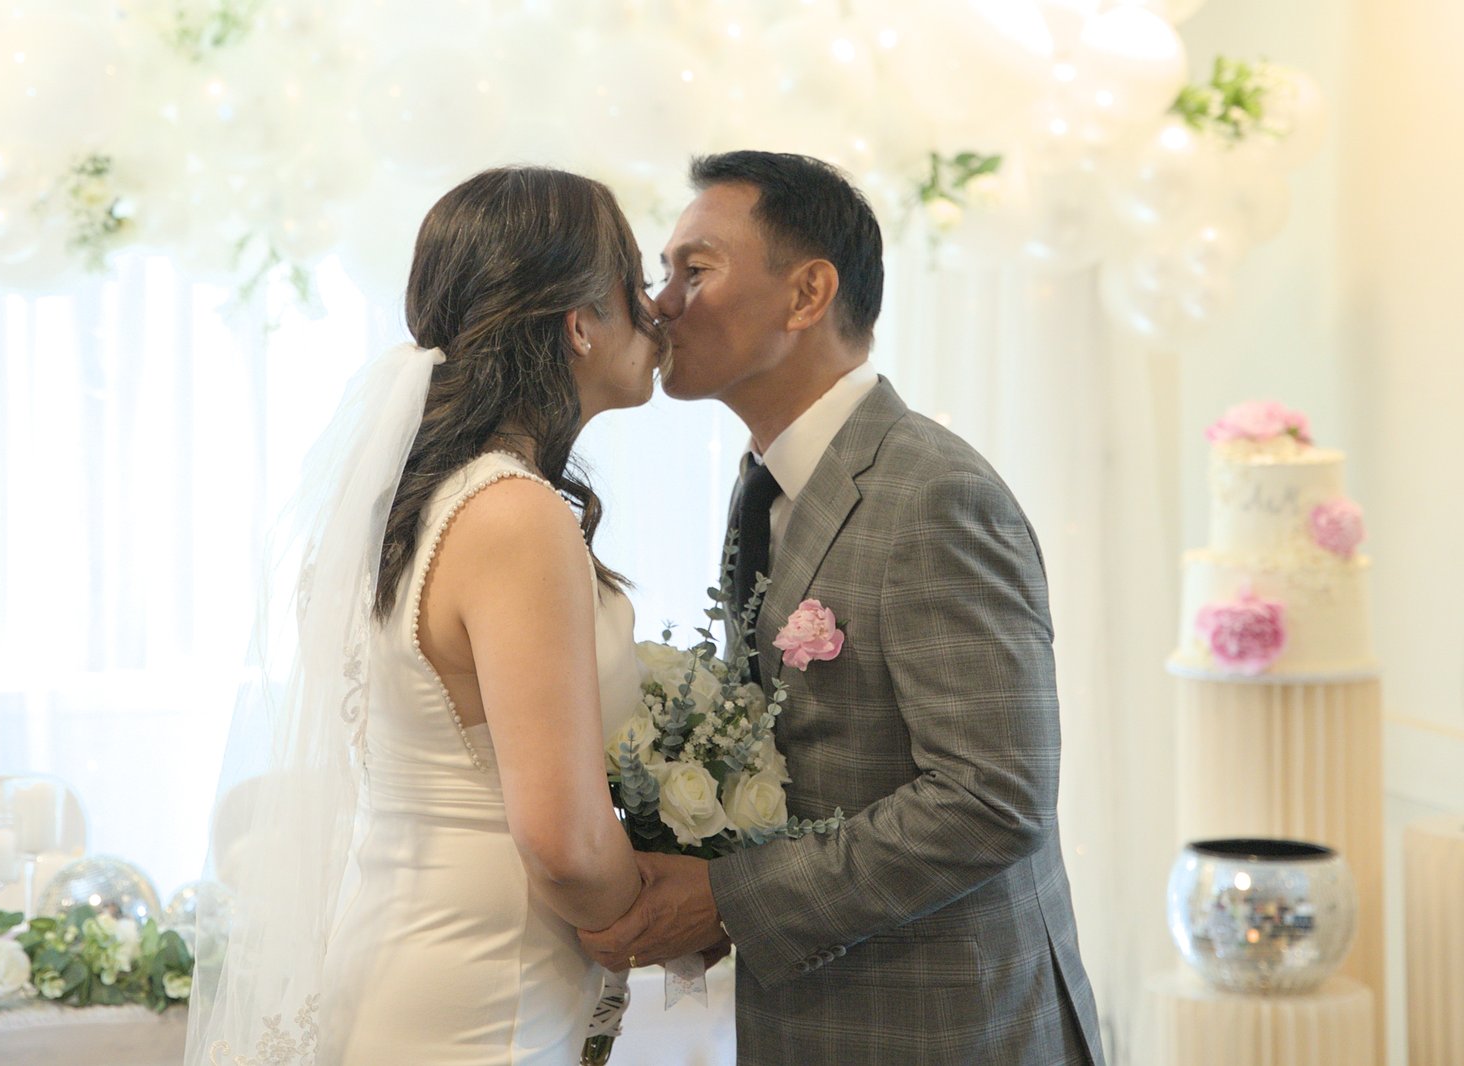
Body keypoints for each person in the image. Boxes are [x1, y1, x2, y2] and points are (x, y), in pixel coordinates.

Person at [579, 151, 1107, 1065]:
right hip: (819, 1009)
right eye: (666, 272)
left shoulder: (933, 492)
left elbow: (993, 797)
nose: (660, 304)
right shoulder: (762, 483)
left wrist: (732, 899)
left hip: (946, 1026)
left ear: (807, 293)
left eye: (694, 270)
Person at [185, 167, 666, 1065]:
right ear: (580, 323)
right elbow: (561, 841)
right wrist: (660, 913)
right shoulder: (514, 514)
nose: (658, 311)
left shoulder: (421, 499)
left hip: (414, 946)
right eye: (635, 282)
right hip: (481, 990)